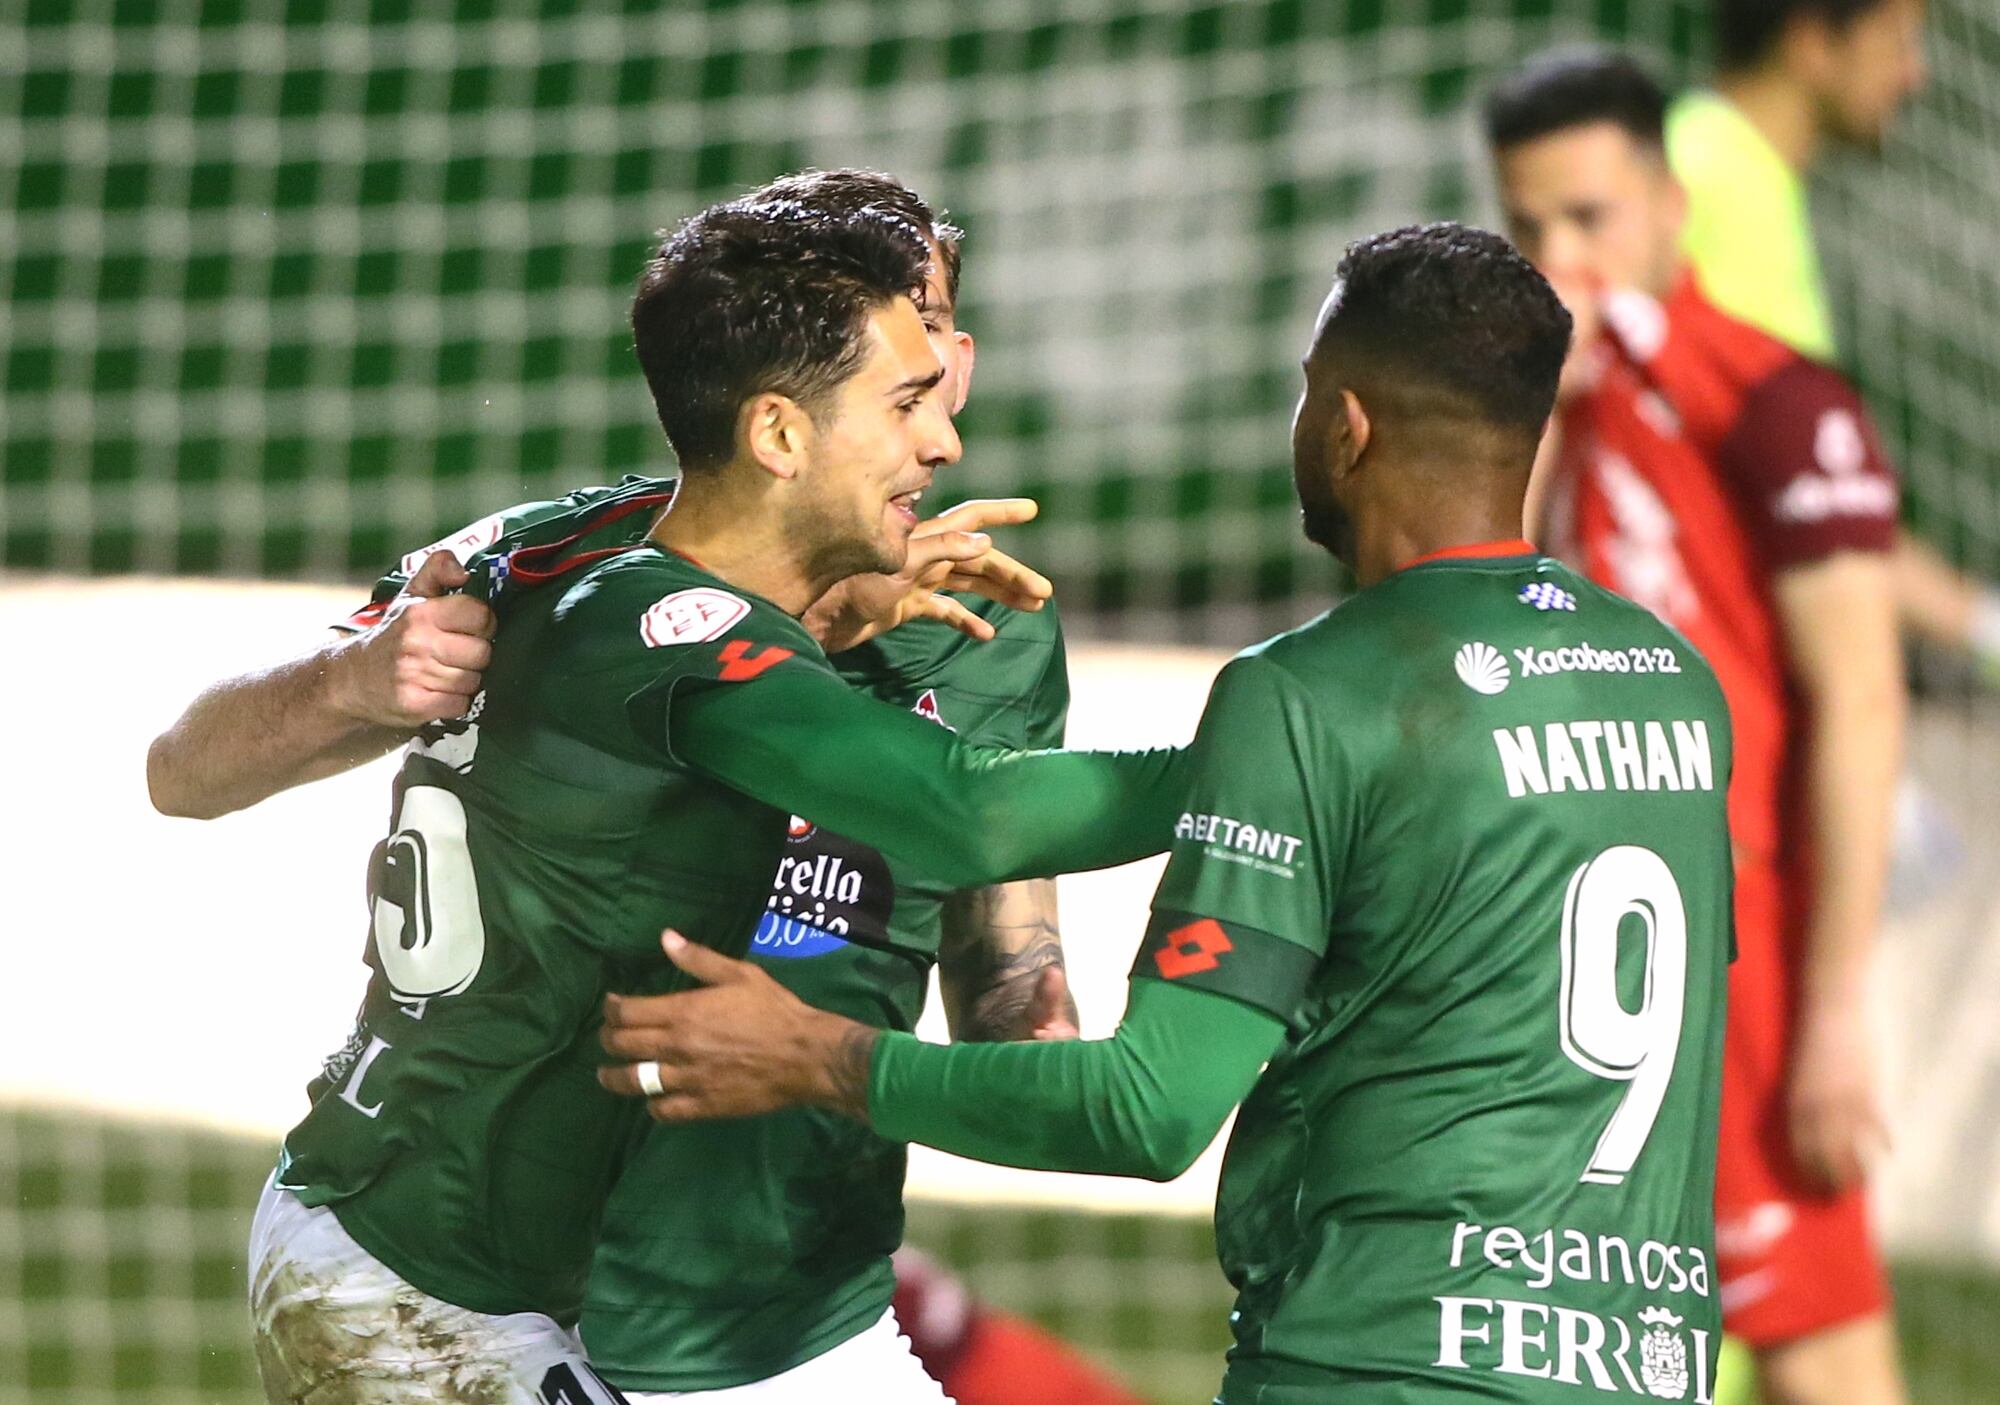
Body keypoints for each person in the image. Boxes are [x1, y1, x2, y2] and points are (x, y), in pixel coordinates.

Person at [597, 222, 1740, 1404]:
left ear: (1343, 425)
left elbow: (1147, 1109)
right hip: (1646, 1366)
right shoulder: (1669, 679)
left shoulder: (1308, 696)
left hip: (1382, 1363)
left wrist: (818, 1057)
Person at [154, 170, 1150, 1405]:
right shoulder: (552, 563)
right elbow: (183, 771)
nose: (928, 373)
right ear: (780, 404)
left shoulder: (991, 638)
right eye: (889, 331)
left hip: (778, 1312)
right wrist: (351, 682)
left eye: (932, 320)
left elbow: (1014, 1012)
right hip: (470, 1274)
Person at [1483, 49, 1910, 1405]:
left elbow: (1861, 696)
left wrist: (1834, 1011)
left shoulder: (1775, 403)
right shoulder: (1545, 411)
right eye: (1528, 226)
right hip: (1556, 948)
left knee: (1821, 1354)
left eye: (1589, 219)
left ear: (1670, 203)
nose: (1560, 257)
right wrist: (1539, 395)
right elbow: (1458, 594)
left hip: (1737, 966)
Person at [1670, 0, 2000, 672]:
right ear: (1814, 44)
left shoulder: (1736, 171)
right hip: (1702, 674)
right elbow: (1803, 489)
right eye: (1899, 41)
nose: (1916, 74)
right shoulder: (1708, 180)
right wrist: (1978, 623)